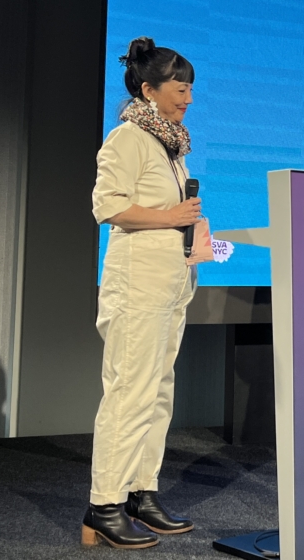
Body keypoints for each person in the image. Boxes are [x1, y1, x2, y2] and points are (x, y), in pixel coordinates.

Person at [82, 37, 201, 550]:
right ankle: (103, 503)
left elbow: (168, 209)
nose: (189, 97)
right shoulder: (127, 138)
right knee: (130, 390)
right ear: (149, 90)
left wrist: (191, 229)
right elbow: (107, 206)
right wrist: (170, 217)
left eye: (191, 87)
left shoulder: (169, 144)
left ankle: (140, 492)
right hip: (137, 282)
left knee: (158, 392)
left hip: (171, 280)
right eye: (180, 87)